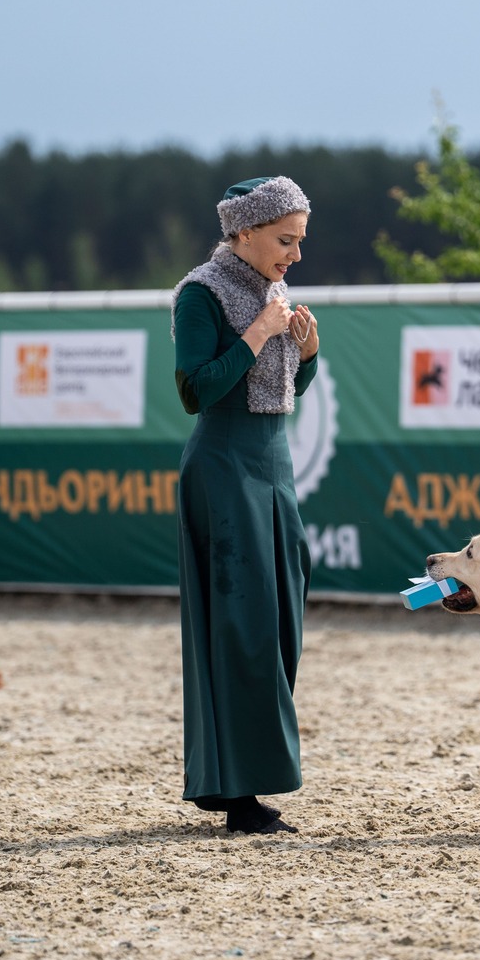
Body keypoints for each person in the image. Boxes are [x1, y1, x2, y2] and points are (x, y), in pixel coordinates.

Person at [171, 176, 321, 835]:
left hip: (273, 463)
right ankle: (235, 792)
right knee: (240, 627)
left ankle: (243, 778)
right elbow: (197, 390)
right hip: (225, 468)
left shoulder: (274, 289)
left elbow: (285, 388)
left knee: (280, 617)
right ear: (244, 232)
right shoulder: (200, 292)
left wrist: (307, 353)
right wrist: (259, 331)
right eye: (285, 241)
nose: (295, 256)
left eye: (300, 242)